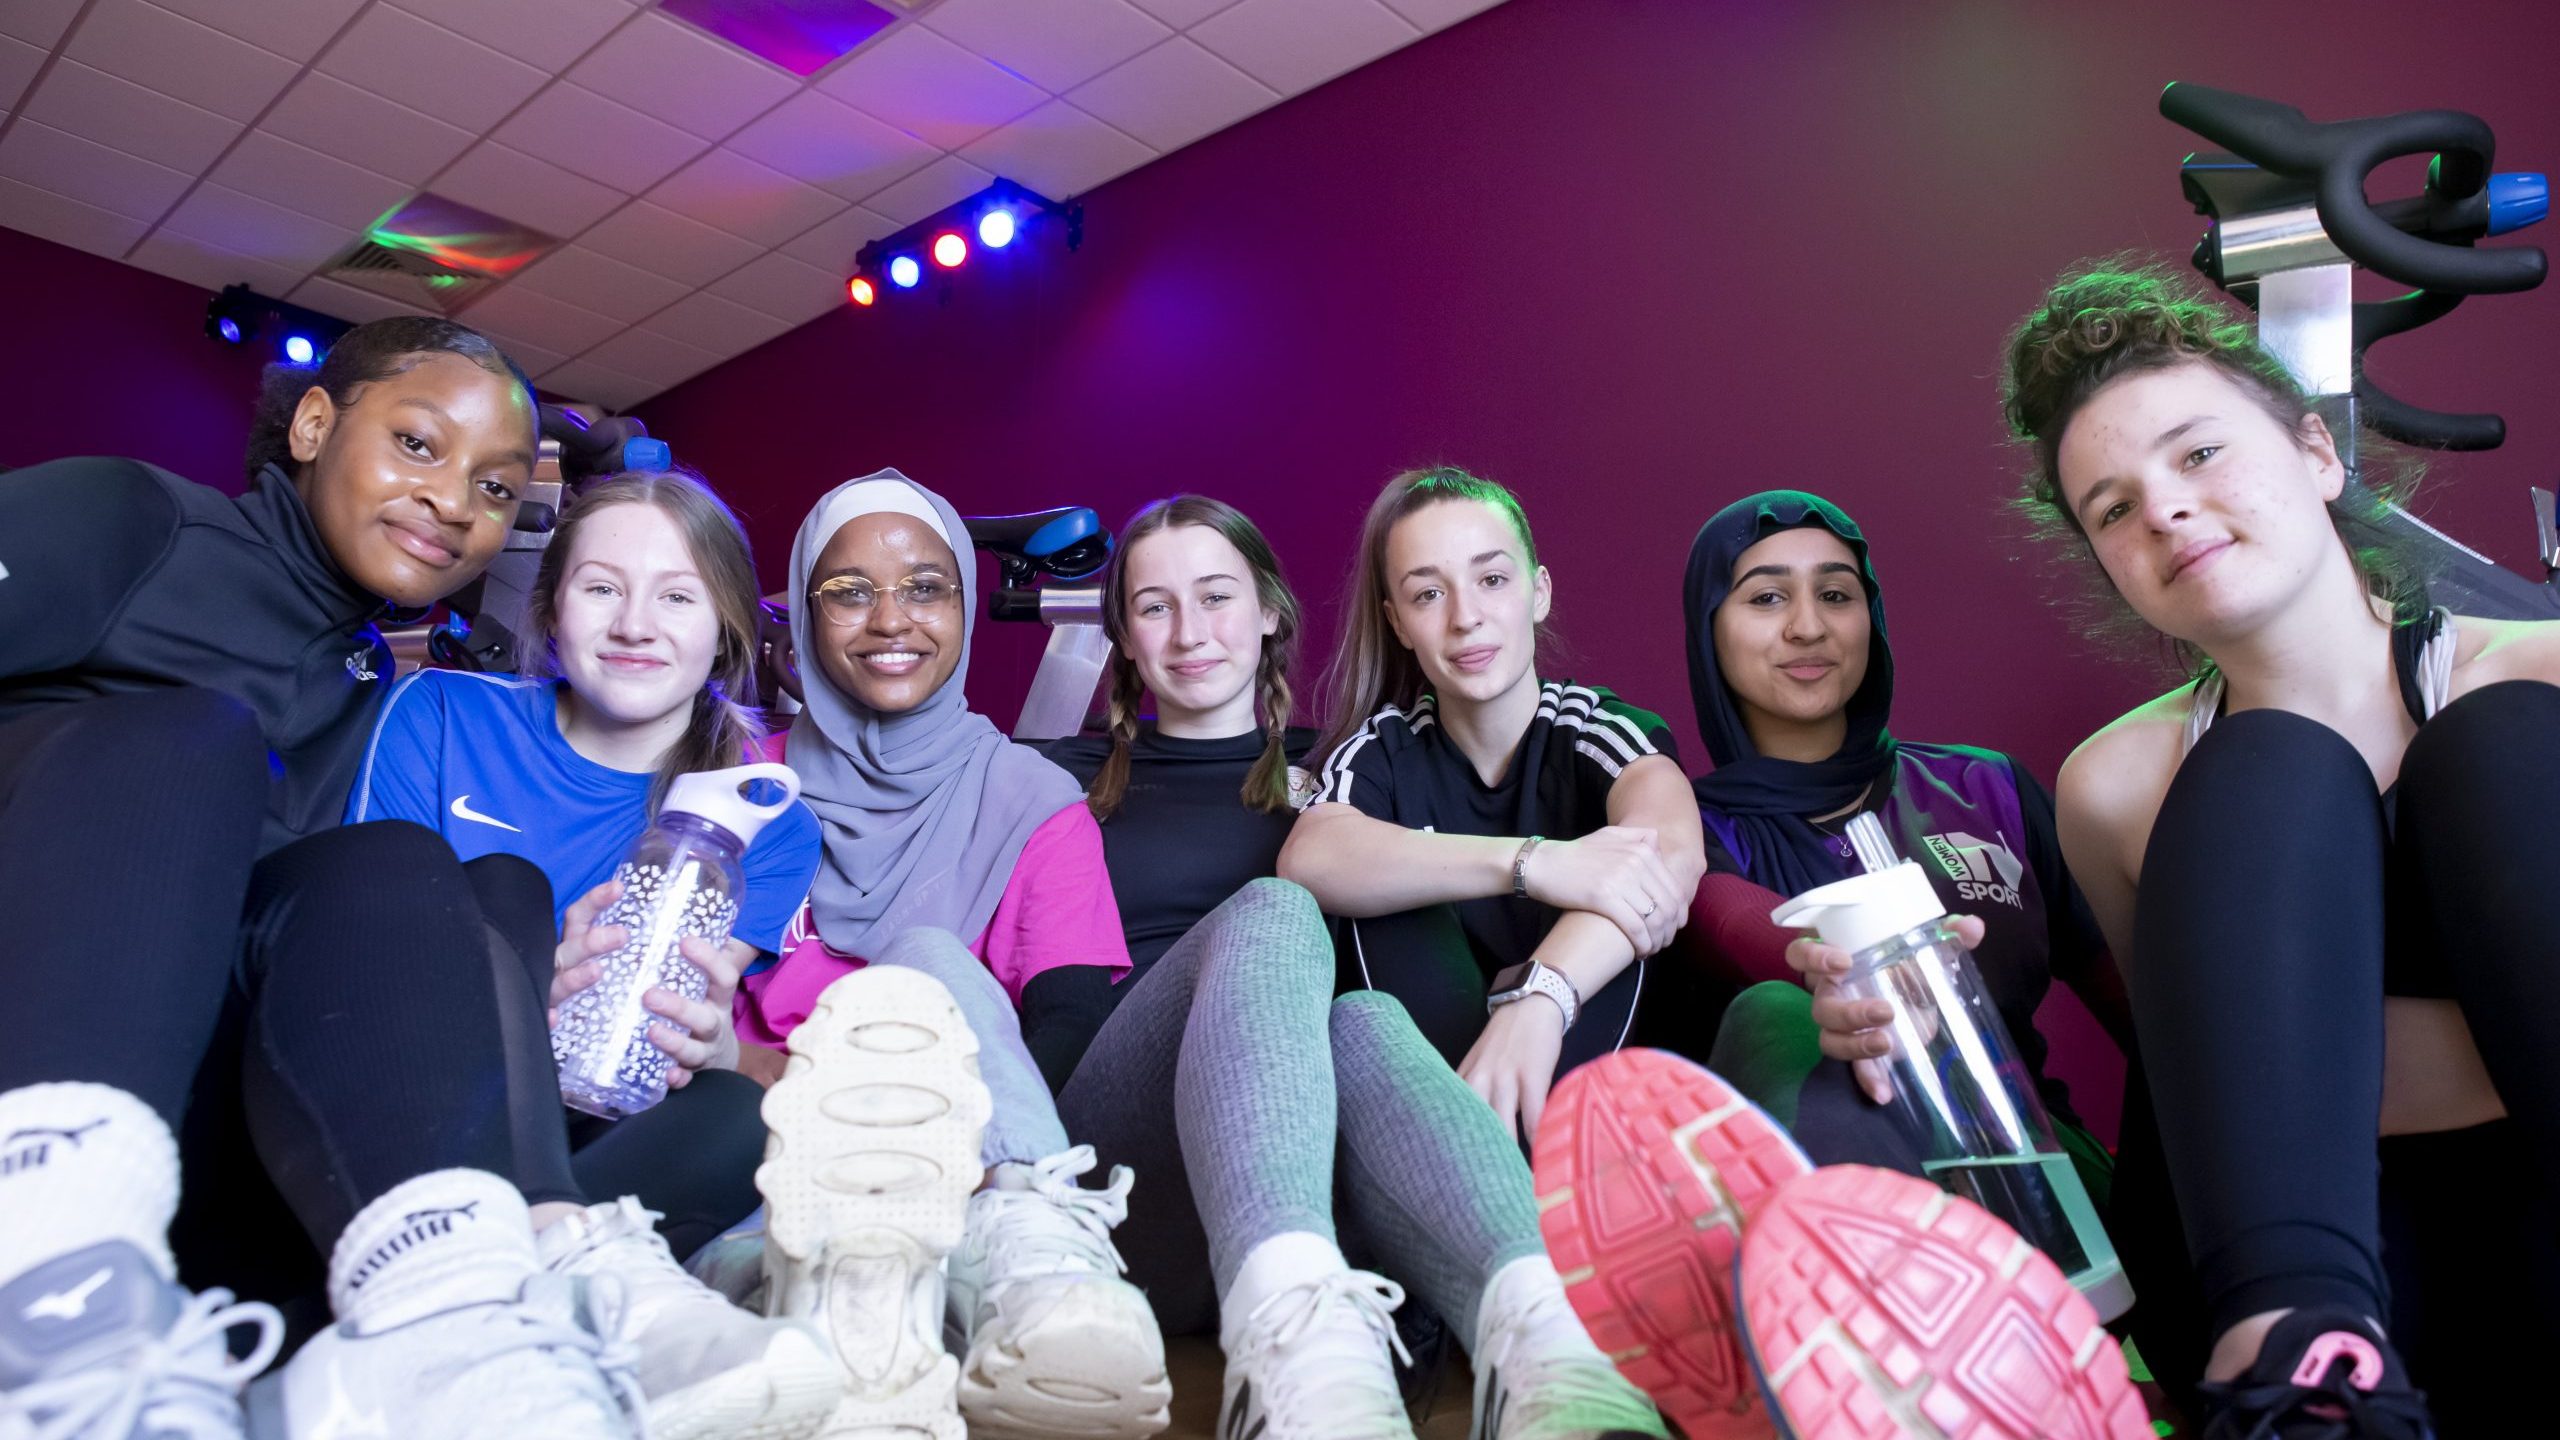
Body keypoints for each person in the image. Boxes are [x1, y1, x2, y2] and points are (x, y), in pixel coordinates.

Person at [0, 319, 833, 1439]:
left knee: (456, 882)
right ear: (311, 423)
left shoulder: (362, 681)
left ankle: (452, 1320)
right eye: (418, 444)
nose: (452, 500)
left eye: (493, 486)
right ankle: (52, 1280)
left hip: (225, 1120)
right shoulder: (138, 522)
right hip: (47, 1022)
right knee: (194, 742)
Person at [2006, 263, 2560, 1435]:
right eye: (2111, 507)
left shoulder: (2540, 672)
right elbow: (2209, 1095)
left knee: (2496, 746)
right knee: (2262, 773)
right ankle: (2301, 1373)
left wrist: (2314, 1062)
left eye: (2198, 453)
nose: (2160, 508)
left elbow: (2277, 1071)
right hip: (2325, 1250)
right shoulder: (2115, 791)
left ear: (2317, 455)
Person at [1043, 495, 1664, 1440]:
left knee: (1369, 1021)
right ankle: (1285, 1331)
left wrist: (1540, 987)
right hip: (1133, 1177)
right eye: (1155, 606)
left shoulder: (1341, 773)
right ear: (1122, 635)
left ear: (1269, 614)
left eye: (1216, 596)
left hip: (1327, 1186)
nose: (1191, 632)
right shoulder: (1062, 785)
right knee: (1280, 908)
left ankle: (1550, 1352)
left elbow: (1655, 846)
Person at [343, 469, 841, 1432]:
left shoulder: (766, 823)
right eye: (603, 587)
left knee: (743, 1108)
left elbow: (673, 1030)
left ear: (726, 629)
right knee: (502, 893)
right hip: (422, 1093)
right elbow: (371, 951)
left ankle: (477, 1314)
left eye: (679, 595)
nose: (635, 624)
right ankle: (531, 1299)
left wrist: (699, 1046)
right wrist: (530, 990)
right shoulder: (443, 715)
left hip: (601, 1122)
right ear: (551, 606)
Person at [734, 470, 1167, 1440]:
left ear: (964, 609)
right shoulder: (742, 788)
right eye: (849, 592)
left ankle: (1041, 1268)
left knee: (922, 959)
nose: (892, 618)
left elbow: (1064, 1022)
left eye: (926, 587)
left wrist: (948, 1154)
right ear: (803, 617)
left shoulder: (1029, 797)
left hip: (972, 1167)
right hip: (776, 1157)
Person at [1674, 489, 2127, 1178]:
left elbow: (2148, 1019)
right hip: (1830, 1197)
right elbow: (1727, 920)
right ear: (1709, 629)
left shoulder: (1988, 789)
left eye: (1835, 595)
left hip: (2045, 1189)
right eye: (1766, 599)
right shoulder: (1684, 824)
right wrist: (1835, 962)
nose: (1807, 627)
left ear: (1871, 617)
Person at [1279, 466, 1706, 1142]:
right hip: (1430, 1095)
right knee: (1375, 896)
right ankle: (1461, 1162)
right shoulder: (1383, 750)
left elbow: (1672, 854)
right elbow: (1309, 855)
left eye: (1492, 580)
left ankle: (1560, 1172)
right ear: (1398, 622)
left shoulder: (1598, 732)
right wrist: (1535, 863)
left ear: (1538, 592)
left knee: (1631, 887)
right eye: (1427, 593)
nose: (1465, 616)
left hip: (1579, 1080)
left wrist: (1536, 1001)